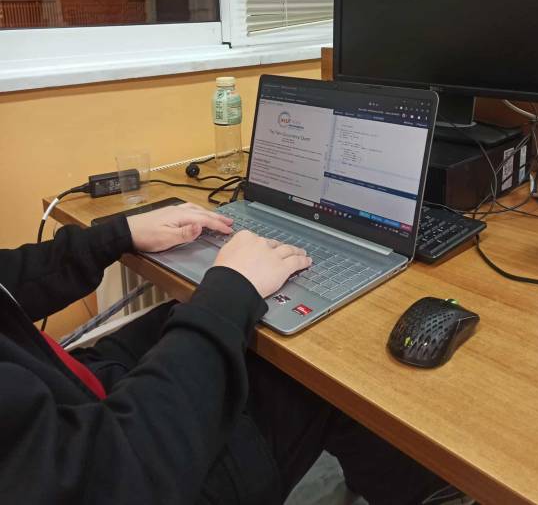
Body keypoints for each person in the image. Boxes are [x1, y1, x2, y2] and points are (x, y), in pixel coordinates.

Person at [0, 202, 450, 504]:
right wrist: (232, 289)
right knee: (316, 361)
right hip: (133, 465)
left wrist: (119, 233)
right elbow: (110, 475)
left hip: (70, 389)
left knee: (200, 315)